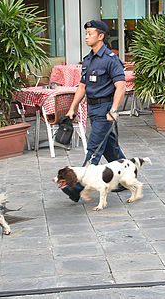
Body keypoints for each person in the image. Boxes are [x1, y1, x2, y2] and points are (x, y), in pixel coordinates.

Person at [60, 20, 127, 202]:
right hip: (92, 107)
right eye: (86, 33)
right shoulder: (88, 59)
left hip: (105, 109)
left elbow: (121, 86)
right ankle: (125, 176)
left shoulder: (111, 60)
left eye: (90, 33)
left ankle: (77, 188)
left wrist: (113, 109)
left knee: (94, 149)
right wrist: (72, 108)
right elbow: (82, 86)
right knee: (109, 146)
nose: (87, 36)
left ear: (101, 36)